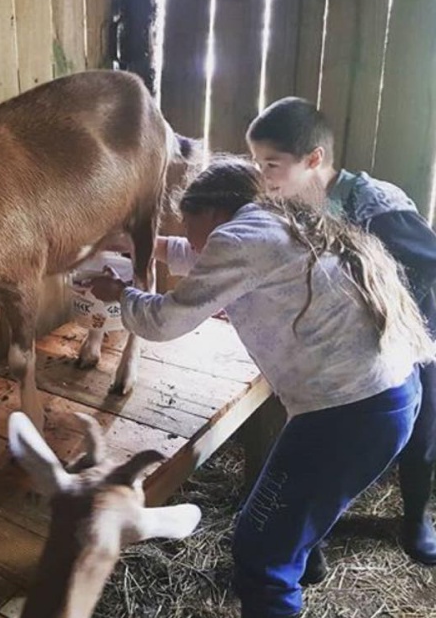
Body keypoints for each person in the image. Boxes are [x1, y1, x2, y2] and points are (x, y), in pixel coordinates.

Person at [86, 158, 432, 618]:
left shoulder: (240, 239)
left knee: (260, 551)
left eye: (188, 225)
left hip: (349, 413)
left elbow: (164, 321)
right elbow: (203, 257)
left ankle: (278, 583)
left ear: (213, 212)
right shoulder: (277, 225)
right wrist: (135, 243)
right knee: (291, 516)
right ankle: (303, 564)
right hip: (390, 395)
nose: (189, 238)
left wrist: (121, 295)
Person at [248, 96, 436, 569]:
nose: (262, 175)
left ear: (314, 159)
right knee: (325, 437)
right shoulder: (291, 206)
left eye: (271, 163)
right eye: (257, 162)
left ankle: (415, 517)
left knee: (422, 430)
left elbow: (429, 261)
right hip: (344, 342)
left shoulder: (377, 205)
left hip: (410, 330)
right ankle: (311, 537)